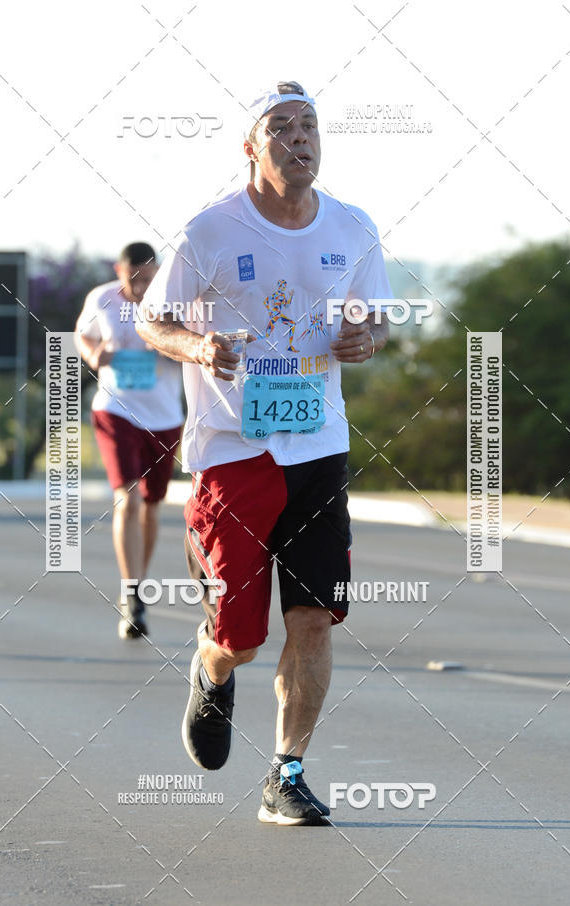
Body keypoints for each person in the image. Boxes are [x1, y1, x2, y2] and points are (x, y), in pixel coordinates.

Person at [137, 81, 392, 825]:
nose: (299, 138)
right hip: (232, 455)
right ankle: (212, 669)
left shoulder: (352, 225)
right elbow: (155, 321)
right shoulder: (209, 232)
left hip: (319, 447)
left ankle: (287, 771)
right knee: (240, 640)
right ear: (250, 146)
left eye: (309, 125)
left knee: (313, 616)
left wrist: (369, 336)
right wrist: (195, 344)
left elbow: (374, 316)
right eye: (280, 126)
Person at [75, 242, 184, 640]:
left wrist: (170, 347)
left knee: (151, 506)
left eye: (149, 278)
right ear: (120, 271)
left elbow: (192, 346)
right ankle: (132, 592)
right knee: (128, 495)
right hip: (116, 410)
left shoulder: (174, 301)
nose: (141, 286)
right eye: (133, 278)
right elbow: (82, 335)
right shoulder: (101, 298)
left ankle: (140, 578)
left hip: (165, 416)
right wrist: (93, 355)